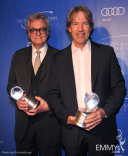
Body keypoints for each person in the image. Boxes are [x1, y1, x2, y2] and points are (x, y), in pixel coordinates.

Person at [47, 5, 126, 156]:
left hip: (103, 132)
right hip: (72, 134)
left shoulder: (106, 53)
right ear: (69, 28)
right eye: (75, 24)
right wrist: (67, 118)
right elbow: (52, 94)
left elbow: (119, 88)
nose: (80, 28)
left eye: (85, 23)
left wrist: (103, 112)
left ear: (90, 27)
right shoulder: (58, 59)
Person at [7, 12, 61, 156]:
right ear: (28, 33)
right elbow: (11, 85)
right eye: (33, 30)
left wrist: (48, 106)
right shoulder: (18, 56)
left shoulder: (61, 57)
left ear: (48, 32)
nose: (38, 33)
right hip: (23, 128)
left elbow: (66, 91)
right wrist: (16, 99)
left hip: (50, 127)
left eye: (42, 29)